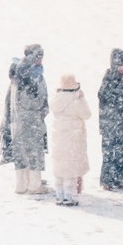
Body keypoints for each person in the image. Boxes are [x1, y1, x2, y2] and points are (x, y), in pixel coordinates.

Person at [1, 44, 48, 195]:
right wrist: (42, 107)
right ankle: (34, 185)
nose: (41, 60)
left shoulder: (18, 73)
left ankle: (21, 184)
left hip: (17, 121)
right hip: (31, 120)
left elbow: (10, 101)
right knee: (34, 151)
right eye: (39, 56)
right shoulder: (31, 75)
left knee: (20, 151)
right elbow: (34, 100)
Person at [97, 50, 123, 193]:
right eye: (121, 65)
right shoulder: (109, 79)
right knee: (109, 152)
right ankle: (107, 180)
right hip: (110, 123)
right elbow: (105, 98)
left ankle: (120, 178)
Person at [47, 69, 87, 206]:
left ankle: (59, 195)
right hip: (73, 138)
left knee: (59, 167)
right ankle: (69, 197)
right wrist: (82, 98)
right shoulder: (76, 100)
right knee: (71, 167)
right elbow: (87, 114)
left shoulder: (55, 100)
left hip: (58, 138)